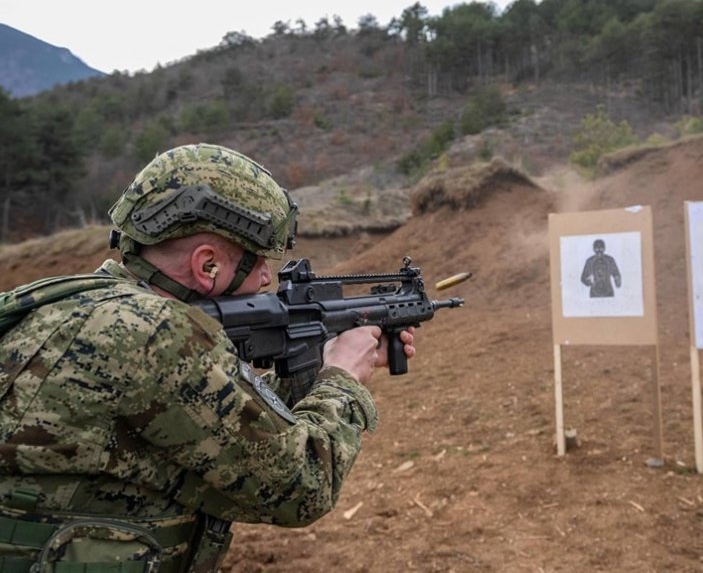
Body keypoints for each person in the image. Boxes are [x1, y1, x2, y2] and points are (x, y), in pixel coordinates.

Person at [0, 143, 415, 571]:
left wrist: (307, 370)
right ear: (209, 265)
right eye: (260, 262)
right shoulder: (156, 334)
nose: (268, 278)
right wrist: (342, 377)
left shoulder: (67, 303)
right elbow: (302, 485)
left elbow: (214, 420)